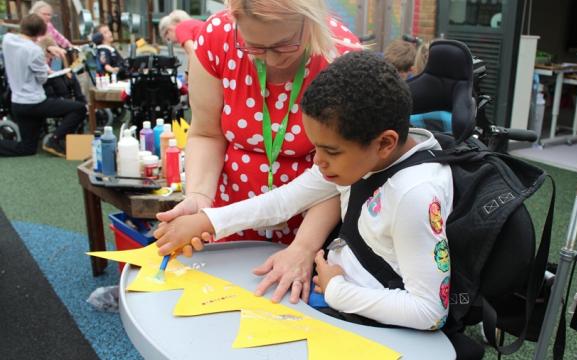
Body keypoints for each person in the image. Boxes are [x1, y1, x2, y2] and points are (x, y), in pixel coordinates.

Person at [154, 51, 453, 330]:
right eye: (315, 147)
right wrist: (207, 220)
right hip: (337, 303)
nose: (318, 161)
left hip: (365, 326)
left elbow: (430, 311)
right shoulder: (366, 157)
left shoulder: (414, 195)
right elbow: (287, 199)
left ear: (385, 143)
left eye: (330, 151)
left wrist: (338, 291)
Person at [155, 0, 361, 304]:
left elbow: (340, 172)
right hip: (228, 215)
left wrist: (304, 247)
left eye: (282, 46)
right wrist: (199, 197)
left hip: (310, 227)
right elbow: (207, 133)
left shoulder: (341, 58)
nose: (269, 60)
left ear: (310, 20)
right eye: (254, 47)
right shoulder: (216, 37)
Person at [0, 14, 86, 157]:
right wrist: (45, 54)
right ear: (40, 33)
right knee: (78, 109)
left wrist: (46, 50)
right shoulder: (35, 51)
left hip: (17, 103)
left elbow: (16, 38)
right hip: (35, 103)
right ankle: (54, 140)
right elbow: (42, 79)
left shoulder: (8, 41)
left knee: (26, 148)